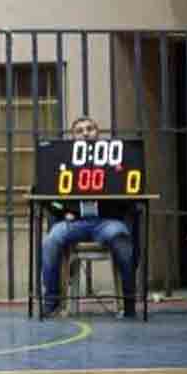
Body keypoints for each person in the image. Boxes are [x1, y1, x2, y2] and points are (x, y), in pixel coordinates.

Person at [39, 117, 139, 318]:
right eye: (79, 130)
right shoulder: (62, 161)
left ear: (98, 132)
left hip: (106, 222)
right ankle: (51, 301)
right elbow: (49, 200)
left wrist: (113, 210)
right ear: (73, 137)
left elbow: (129, 199)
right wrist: (63, 212)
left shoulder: (114, 159)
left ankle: (129, 303)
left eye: (90, 129)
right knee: (50, 240)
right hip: (74, 223)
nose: (85, 133)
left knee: (121, 237)